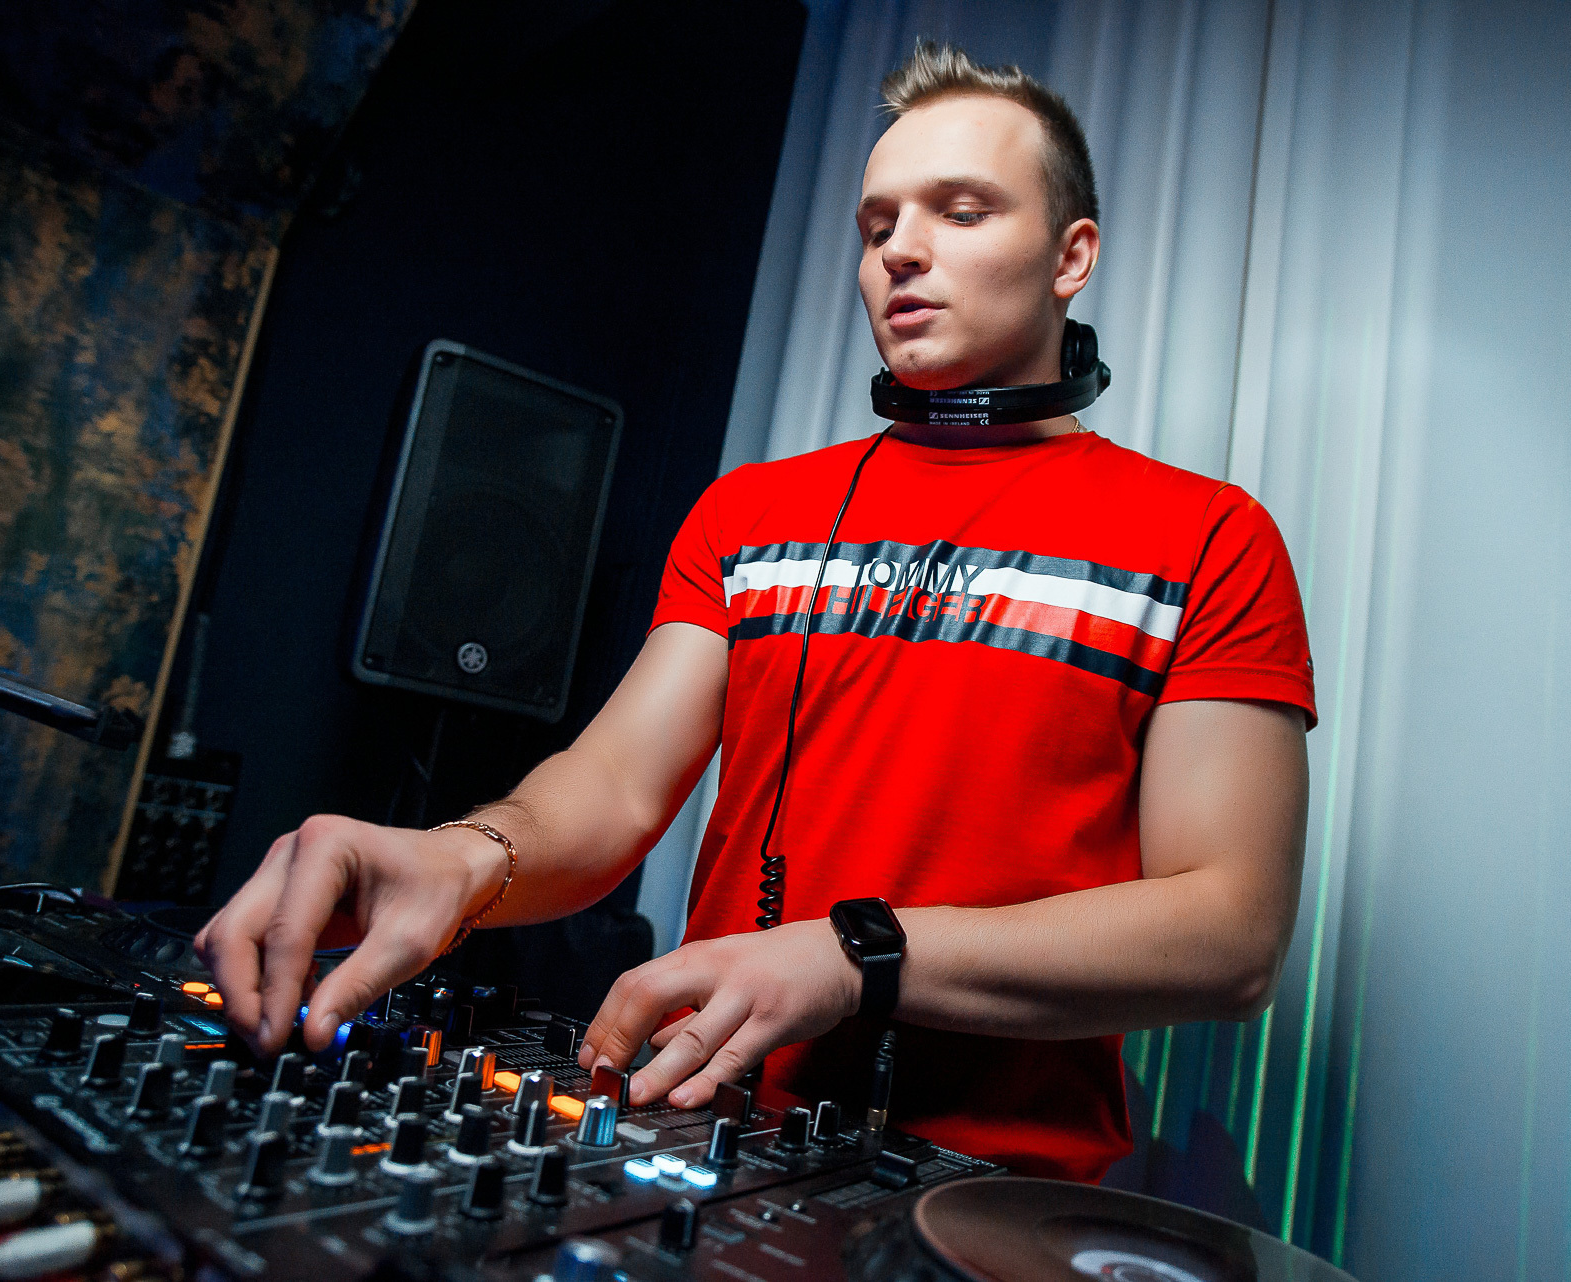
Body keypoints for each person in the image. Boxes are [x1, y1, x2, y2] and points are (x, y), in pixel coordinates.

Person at [194, 41, 1315, 1183]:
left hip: (988, 1203)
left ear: (1072, 255)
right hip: (702, 1133)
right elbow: (614, 790)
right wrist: (465, 856)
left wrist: (853, 957)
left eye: (961, 211)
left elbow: (1228, 935)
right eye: (877, 226)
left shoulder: (1210, 537)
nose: (901, 251)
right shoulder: (751, 515)